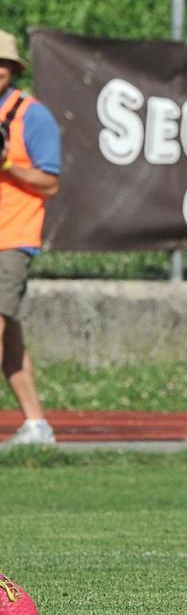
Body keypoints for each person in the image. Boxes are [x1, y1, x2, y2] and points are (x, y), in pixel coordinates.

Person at [0, 31, 61, 448]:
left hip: (12, 236)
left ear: (13, 69)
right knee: (10, 337)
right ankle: (37, 425)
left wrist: (7, 165)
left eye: (1, 64)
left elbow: (50, 182)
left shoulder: (31, 115)